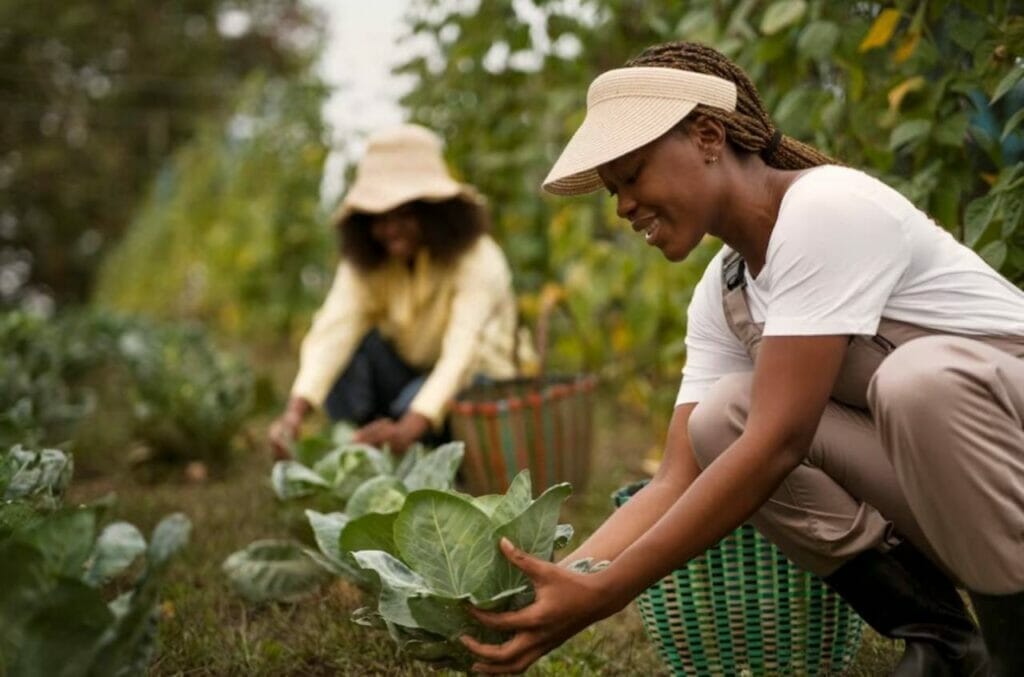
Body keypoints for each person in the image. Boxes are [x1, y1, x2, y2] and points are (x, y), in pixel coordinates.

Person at [460, 42, 1024, 676]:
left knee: (914, 383)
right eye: (613, 190)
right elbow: (677, 477)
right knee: (720, 422)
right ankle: (945, 642)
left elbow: (778, 443)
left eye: (634, 174)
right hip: (964, 500)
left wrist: (607, 595)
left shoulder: (826, 208)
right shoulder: (727, 288)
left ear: (706, 136)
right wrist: (557, 587)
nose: (622, 206)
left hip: (1008, 456)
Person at [268, 124, 529, 457]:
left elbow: (462, 354)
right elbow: (334, 329)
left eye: (404, 215)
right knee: (347, 359)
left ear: (435, 213)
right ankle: (372, 446)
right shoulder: (370, 263)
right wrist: (294, 414)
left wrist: (410, 425)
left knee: (416, 403)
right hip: (408, 373)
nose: (389, 230)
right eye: (379, 218)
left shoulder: (479, 258)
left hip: (478, 383)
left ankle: (415, 446)